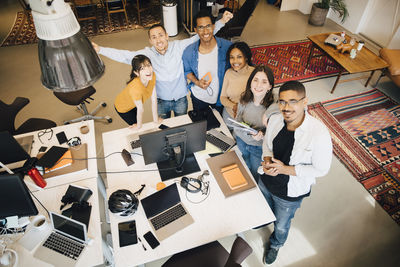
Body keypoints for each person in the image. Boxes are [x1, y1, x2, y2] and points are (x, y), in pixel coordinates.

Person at [92, 11, 233, 119]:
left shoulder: (179, 46)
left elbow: (202, 34)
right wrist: (100, 50)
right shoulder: (147, 54)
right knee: (163, 129)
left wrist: (221, 22)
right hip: (160, 101)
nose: (158, 40)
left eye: (160, 35)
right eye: (154, 37)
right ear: (150, 41)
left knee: (181, 126)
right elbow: (125, 56)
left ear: (167, 35)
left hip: (181, 100)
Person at [259, 80, 332, 264]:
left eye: (293, 101)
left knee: (281, 225)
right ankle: (263, 218)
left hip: (289, 193)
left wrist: (285, 169)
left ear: (305, 101)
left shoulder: (319, 133)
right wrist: (267, 161)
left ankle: (276, 245)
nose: (286, 107)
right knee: (263, 205)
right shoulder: (275, 120)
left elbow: (321, 169)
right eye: (282, 101)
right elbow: (267, 146)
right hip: (267, 181)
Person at [234, 65, 279, 181]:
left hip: (259, 148)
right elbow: (237, 123)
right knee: (244, 166)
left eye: (264, 82)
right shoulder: (244, 98)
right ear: (250, 82)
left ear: (270, 86)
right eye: (256, 80)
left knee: (255, 174)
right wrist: (247, 134)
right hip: (242, 141)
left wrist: (262, 134)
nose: (258, 85)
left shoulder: (275, 103)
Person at [182, 10, 232, 113]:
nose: (205, 32)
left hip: (220, 99)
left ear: (213, 27)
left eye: (208, 26)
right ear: (196, 30)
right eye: (201, 27)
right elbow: (187, 71)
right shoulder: (189, 51)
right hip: (198, 98)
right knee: (201, 126)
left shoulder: (227, 47)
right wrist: (197, 82)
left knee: (219, 126)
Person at [114, 55, 161, 130]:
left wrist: (156, 120)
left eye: (148, 65)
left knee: (138, 119)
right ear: (136, 73)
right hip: (123, 107)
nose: (148, 70)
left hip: (133, 102)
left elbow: (154, 100)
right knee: (137, 127)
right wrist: (138, 126)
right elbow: (141, 109)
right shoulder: (135, 88)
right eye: (142, 68)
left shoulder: (152, 75)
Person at [220, 42, 254, 125]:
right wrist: (234, 106)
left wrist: (240, 110)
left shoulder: (254, 73)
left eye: (239, 57)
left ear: (246, 58)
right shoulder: (228, 73)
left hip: (247, 117)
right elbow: (223, 97)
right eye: (232, 57)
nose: (235, 61)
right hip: (228, 115)